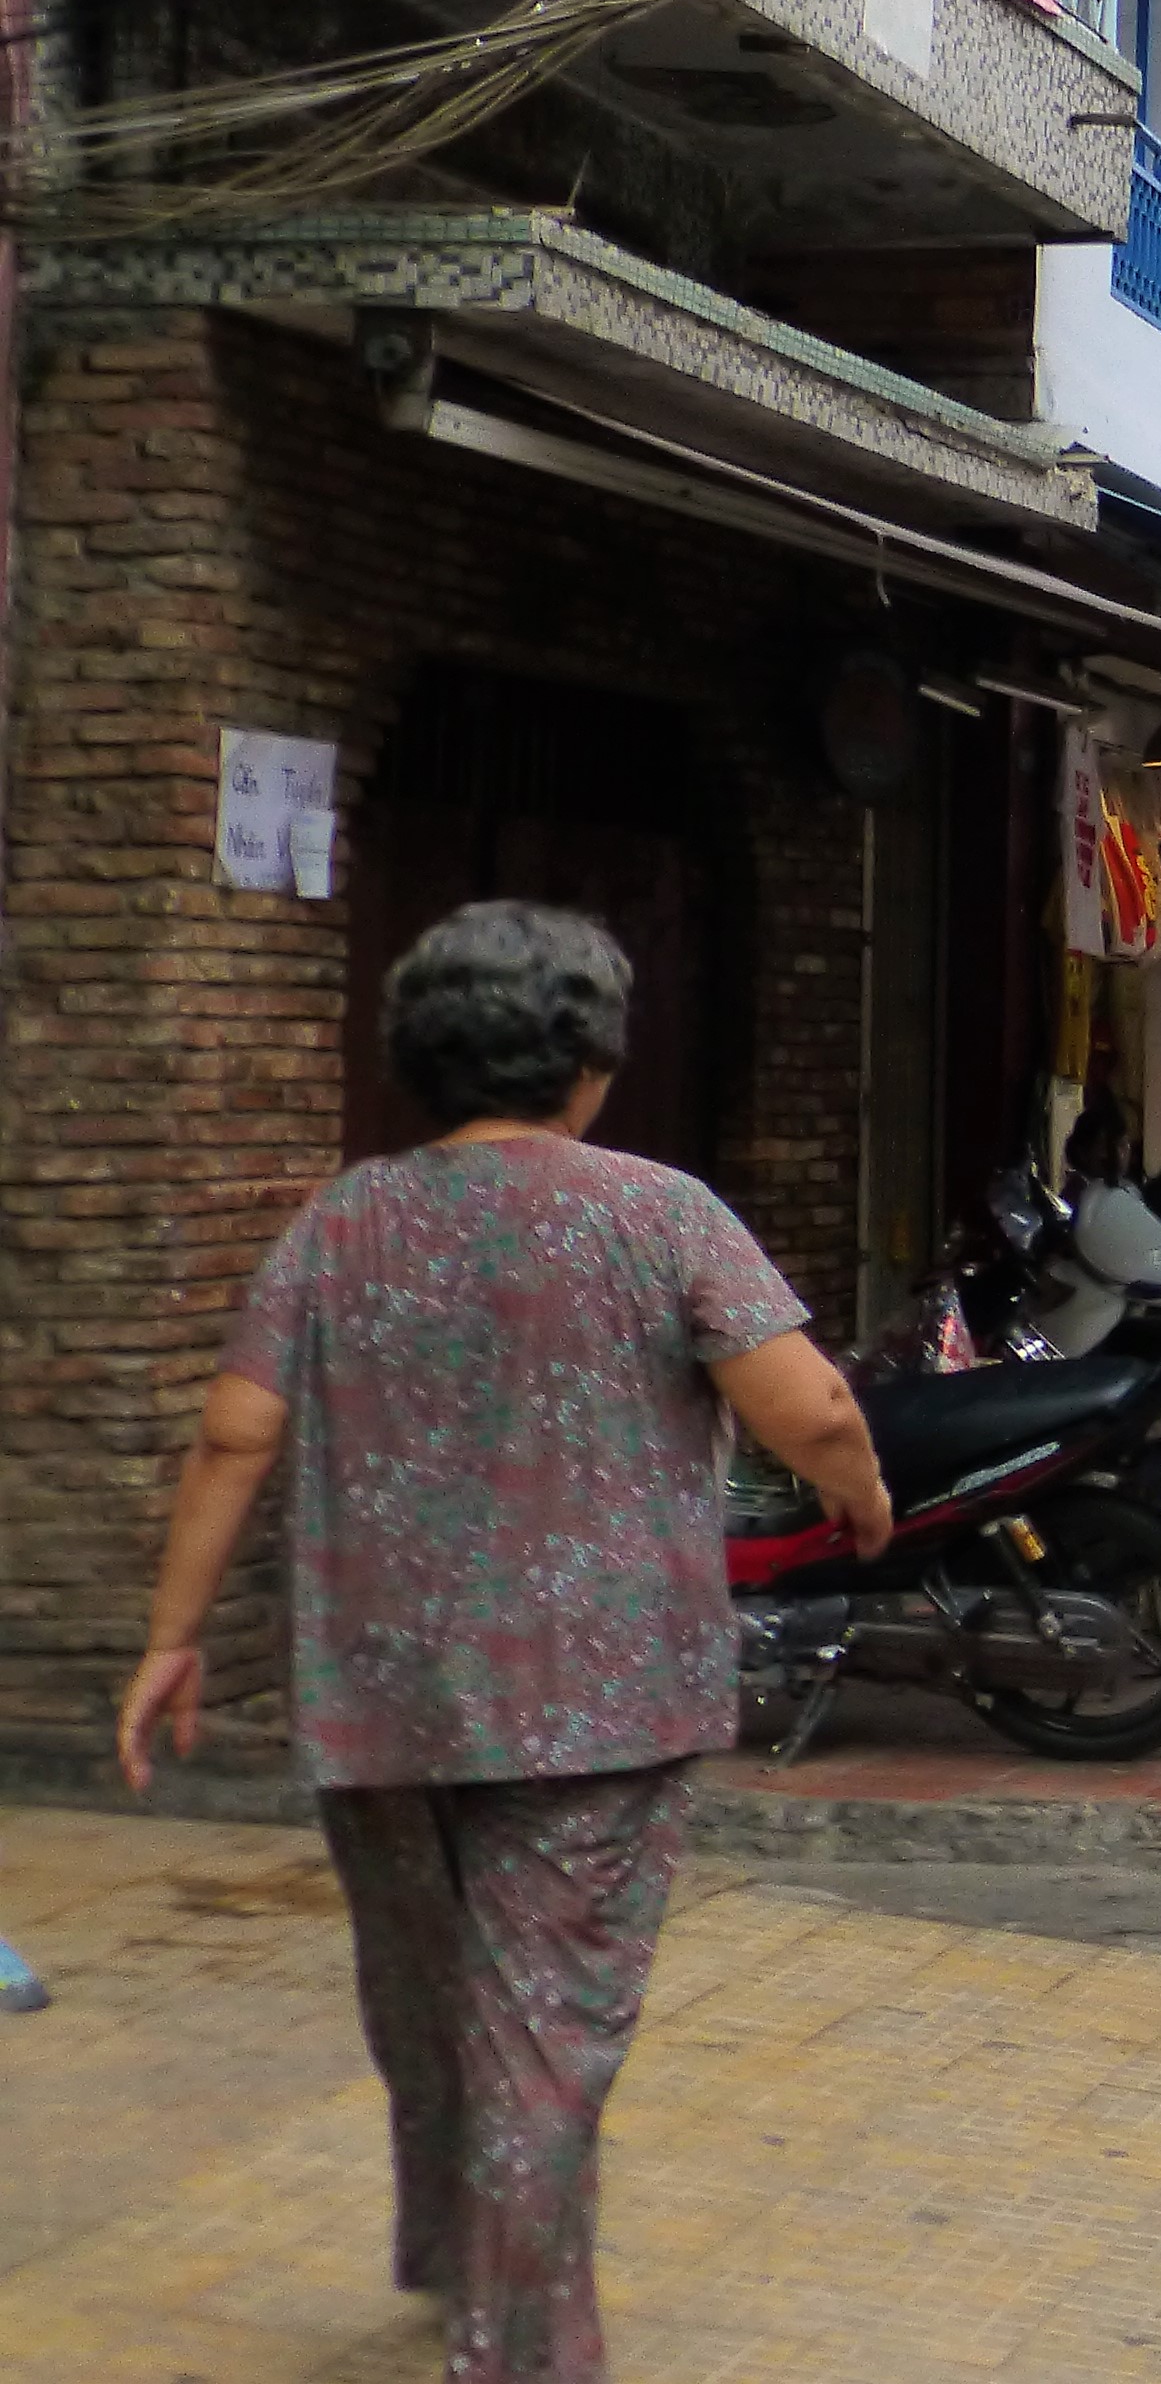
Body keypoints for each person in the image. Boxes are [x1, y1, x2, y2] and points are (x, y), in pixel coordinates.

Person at [116, 901, 893, 2384]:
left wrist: (173, 1638)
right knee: (546, 2029)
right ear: (590, 1061)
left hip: (381, 1699)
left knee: (428, 2001)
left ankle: (452, 2257)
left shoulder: (341, 1219)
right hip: (600, 1707)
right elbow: (813, 1411)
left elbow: (233, 1433)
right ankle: (520, 2348)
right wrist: (859, 1498)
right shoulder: (657, 1211)